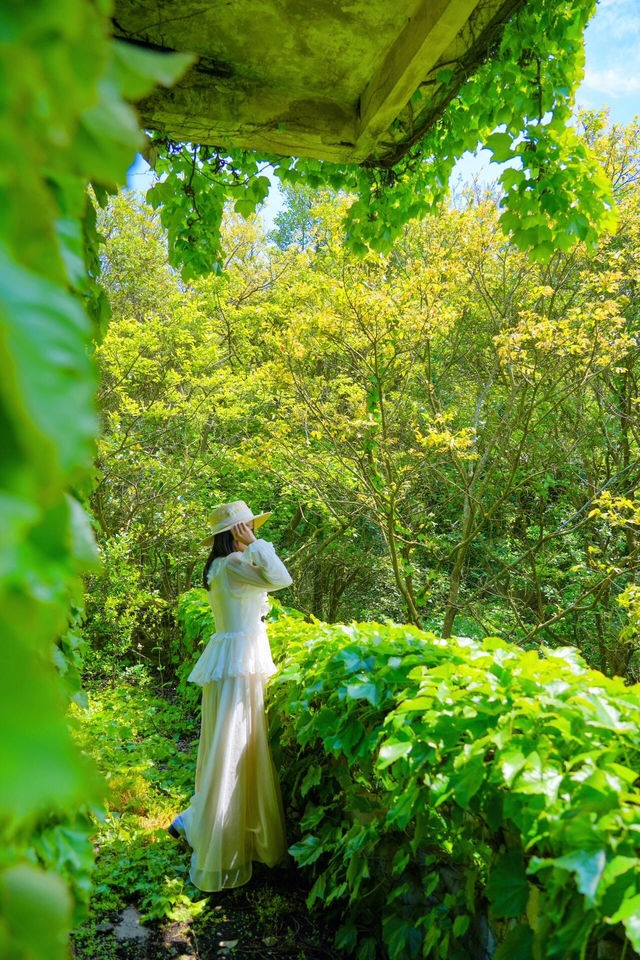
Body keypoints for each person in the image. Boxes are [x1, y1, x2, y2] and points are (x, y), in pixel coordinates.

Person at [168, 500, 293, 891]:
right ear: (235, 533)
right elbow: (281, 578)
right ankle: (219, 829)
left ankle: (204, 819)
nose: (250, 530)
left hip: (232, 657)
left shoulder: (219, 567)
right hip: (240, 662)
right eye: (246, 527)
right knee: (235, 742)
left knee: (226, 739)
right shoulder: (238, 566)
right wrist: (256, 543)